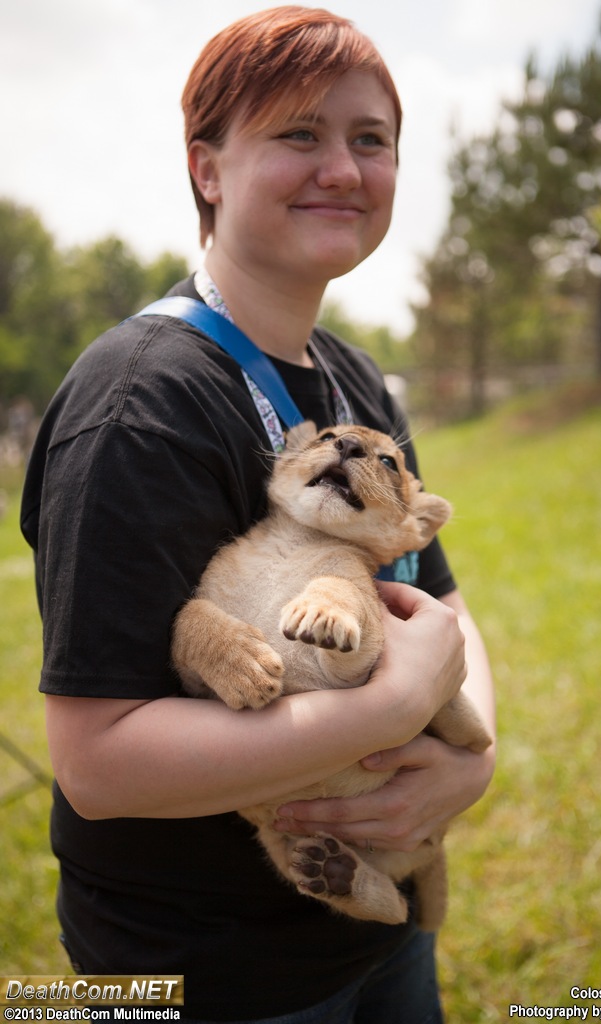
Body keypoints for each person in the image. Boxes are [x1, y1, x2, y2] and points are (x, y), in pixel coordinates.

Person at [20, 7, 496, 1023]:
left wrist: (471, 756)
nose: (341, 167)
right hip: (207, 977)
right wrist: (387, 712)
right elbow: (96, 764)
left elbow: (437, 599)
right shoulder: (137, 404)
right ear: (207, 169)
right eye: (297, 134)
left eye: (369, 140)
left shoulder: (350, 375)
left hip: (373, 937)